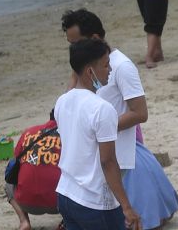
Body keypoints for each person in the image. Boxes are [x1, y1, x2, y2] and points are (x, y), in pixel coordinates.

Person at [61, 9, 178, 227]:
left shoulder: (121, 67)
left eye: (77, 43)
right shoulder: (83, 67)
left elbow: (140, 112)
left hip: (113, 154)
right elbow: (71, 100)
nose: (74, 50)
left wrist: (100, 127)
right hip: (89, 161)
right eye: (71, 44)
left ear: (95, 39)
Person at [53, 38, 141, 230]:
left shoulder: (62, 101)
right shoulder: (102, 109)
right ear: (90, 72)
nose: (110, 70)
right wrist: (126, 206)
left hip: (66, 194)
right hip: (95, 201)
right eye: (106, 65)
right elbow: (107, 161)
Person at [5, 114, 62, 230]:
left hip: (26, 202)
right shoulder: (71, 135)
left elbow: (15, 160)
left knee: (9, 183)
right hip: (58, 204)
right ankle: (65, 222)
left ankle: (24, 221)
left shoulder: (29, 131)